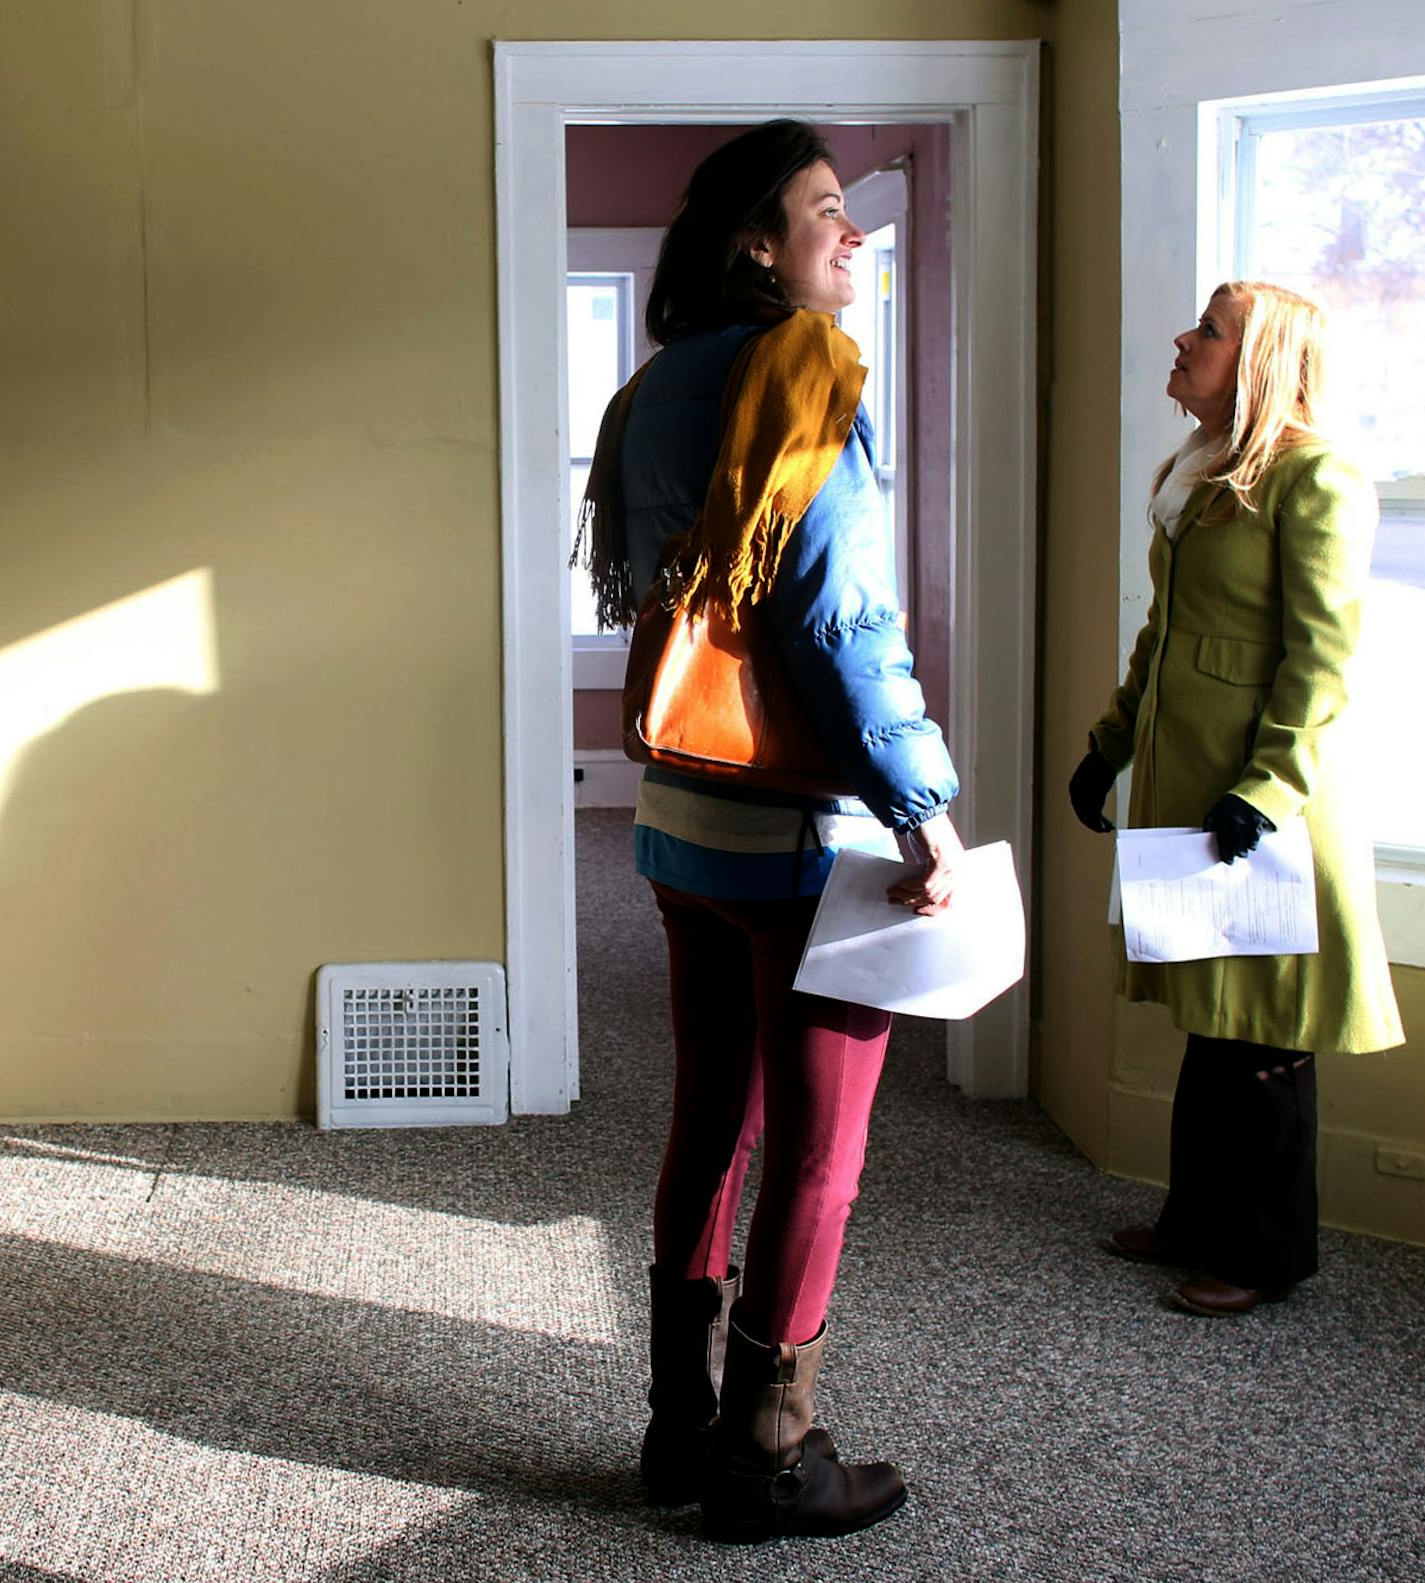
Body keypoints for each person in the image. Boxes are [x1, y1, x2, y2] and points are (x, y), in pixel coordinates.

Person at [579, 119, 963, 1543]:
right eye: (824, 212)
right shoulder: (802, 366)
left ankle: (677, 1424)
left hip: (679, 822)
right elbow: (838, 615)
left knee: (707, 1122)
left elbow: (640, 591)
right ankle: (770, 1448)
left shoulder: (650, 389)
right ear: (759, 241)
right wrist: (923, 807)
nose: (850, 236)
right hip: (802, 838)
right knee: (819, 1148)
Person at [1067, 280, 1404, 1318]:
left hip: (1267, 804)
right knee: (1212, 1013)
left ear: (1257, 357)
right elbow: (1165, 636)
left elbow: (1326, 659)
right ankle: (1194, 1218)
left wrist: (1265, 787)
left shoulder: (1318, 477)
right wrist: (1111, 743)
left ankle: (1264, 1252)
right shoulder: (1202, 470)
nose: (1182, 336)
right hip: (1192, 788)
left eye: (1209, 330)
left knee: (1263, 1033)